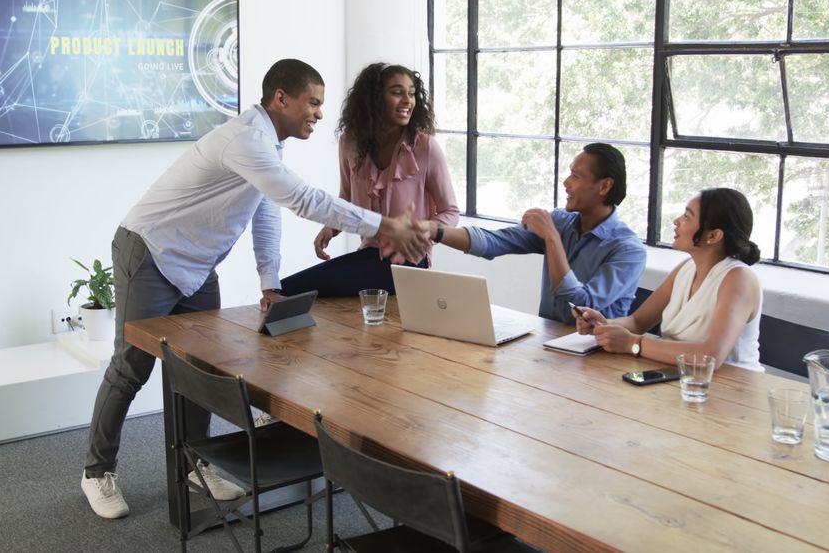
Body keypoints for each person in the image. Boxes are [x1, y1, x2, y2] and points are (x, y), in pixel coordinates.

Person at [81, 59, 431, 520]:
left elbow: (266, 211)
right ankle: (96, 471)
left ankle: (197, 464)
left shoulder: (270, 144)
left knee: (200, 369)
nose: (320, 114)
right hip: (150, 252)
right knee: (131, 366)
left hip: (199, 263)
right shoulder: (246, 139)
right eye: (313, 102)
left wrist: (270, 282)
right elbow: (302, 199)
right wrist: (385, 224)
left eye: (322, 105)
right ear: (280, 99)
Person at [279, 62, 459, 296]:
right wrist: (331, 228)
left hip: (408, 262)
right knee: (288, 292)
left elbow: (451, 211)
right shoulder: (349, 143)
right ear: (374, 99)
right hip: (368, 256)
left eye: (412, 94)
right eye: (397, 92)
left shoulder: (425, 147)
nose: (408, 100)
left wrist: (421, 233)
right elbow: (347, 197)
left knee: (286, 290)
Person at [427, 143, 646, 323]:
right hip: (548, 345)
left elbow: (582, 305)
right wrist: (434, 231)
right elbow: (496, 242)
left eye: (576, 176)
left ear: (605, 186)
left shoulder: (628, 250)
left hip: (598, 357)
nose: (566, 183)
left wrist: (551, 238)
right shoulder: (561, 221)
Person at [575, 187, 763, 371]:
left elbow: (710, 355)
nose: (676, 221)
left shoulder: (739, 278)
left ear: (713, 236)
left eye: (687, 217)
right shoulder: (685, 269)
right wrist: (604, 325)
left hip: (732, 391)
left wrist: (633, 343)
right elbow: (638, 322)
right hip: (677, 378)